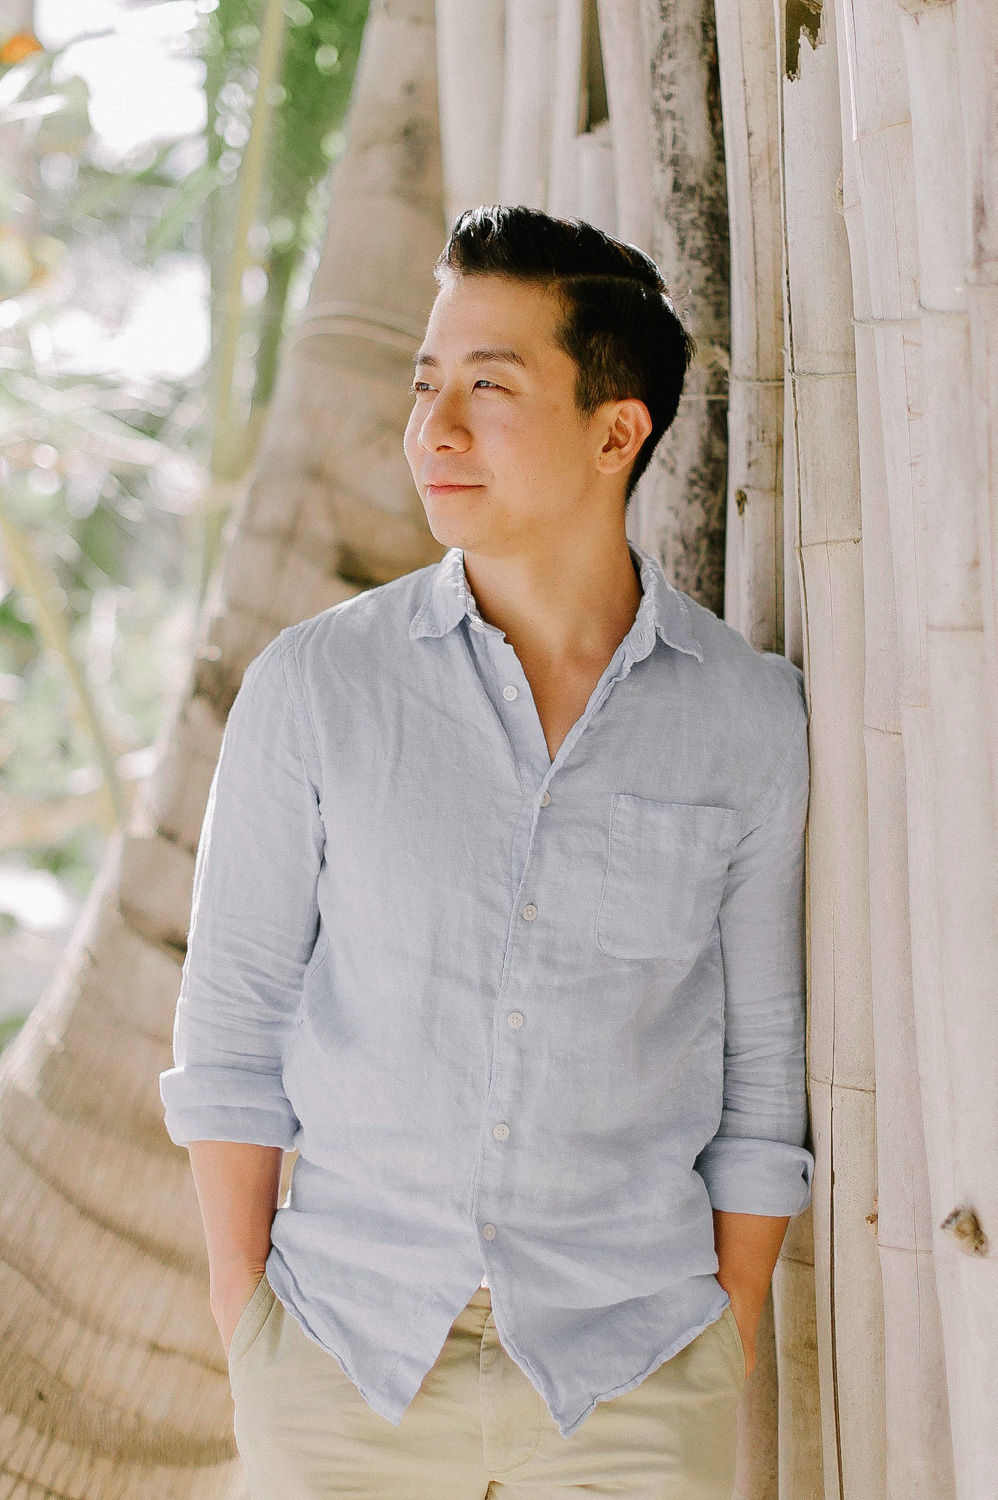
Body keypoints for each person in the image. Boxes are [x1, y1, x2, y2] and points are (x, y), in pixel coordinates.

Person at [160, 204, 813, 1499]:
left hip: (630, 1376)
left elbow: (760, 1058)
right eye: (427, 384)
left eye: (489, 387)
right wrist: (248, 1315)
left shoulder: (746, 720)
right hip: (344, 1363)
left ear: (615, 433)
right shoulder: (316, 688)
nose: (435, 429)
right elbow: (233, 1023)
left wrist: (725, 1328)